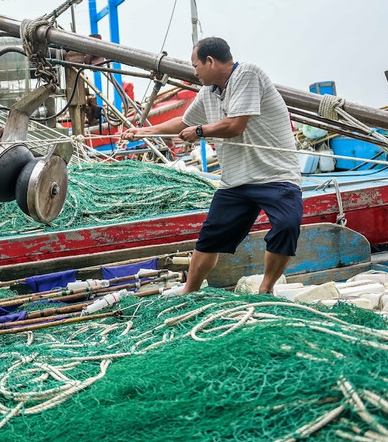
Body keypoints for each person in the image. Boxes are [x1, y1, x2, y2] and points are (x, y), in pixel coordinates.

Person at [122, 37, 302, 294]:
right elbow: (184, 122)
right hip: (236, 180)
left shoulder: (248, 74)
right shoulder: (209, 92)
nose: (194, 72)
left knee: (286, 225)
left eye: (196, 65)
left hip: (275, 174)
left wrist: (200, 131)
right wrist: (143, 131)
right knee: (209, 239)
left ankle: (266, 289)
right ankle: (190, 292)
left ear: (211, 61)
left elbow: (234, 125)